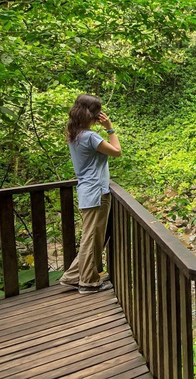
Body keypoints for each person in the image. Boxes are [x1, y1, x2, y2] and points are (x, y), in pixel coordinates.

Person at [59, 94, 122, 294]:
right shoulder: (91, 136)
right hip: (97, 192)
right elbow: (116, 151)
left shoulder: (74, 133)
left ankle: (72, 276)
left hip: (87, 190)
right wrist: (110, 128)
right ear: (94, 115)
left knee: (91, 237)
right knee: (91, 237)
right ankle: (88, 282)